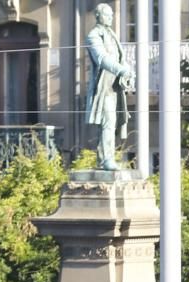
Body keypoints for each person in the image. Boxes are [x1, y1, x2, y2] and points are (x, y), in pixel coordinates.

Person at [85, 2, 132, 171]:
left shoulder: (111, 34)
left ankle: (103, 159)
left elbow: (120, 57)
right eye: (107, 15)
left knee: (114, 122)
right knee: (108, 121)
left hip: (115, 87)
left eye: (112, 15)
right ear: (98, 16)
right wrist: (121, 70)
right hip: (103, 87)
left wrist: (128, 71)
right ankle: (106, 159)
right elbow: (102, 58)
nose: (111, 18)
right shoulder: (94, 36)